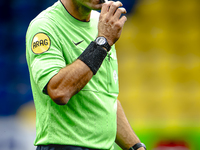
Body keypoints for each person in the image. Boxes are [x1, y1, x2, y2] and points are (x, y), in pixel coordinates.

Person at [26, 0, 146, 150]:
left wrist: (136, 147)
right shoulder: (45, 26)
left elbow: (104, 99)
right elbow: (59, 91)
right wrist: (103, 42)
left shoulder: (103, 24)